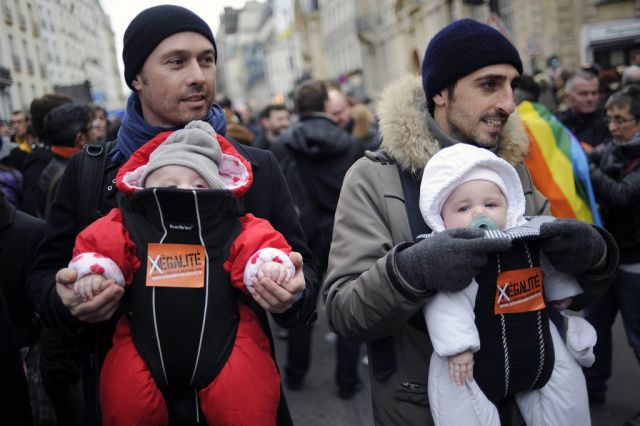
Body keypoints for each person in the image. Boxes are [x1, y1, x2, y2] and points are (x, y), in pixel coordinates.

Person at [27, 5, 317, 424]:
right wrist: (66, 299)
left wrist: (293, 294)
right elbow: (42, 278)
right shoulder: (91, 171)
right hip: (126, 401)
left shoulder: (254, 166)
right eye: (176, 62)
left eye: (206, 59)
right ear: (137, 78)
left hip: (239, 400)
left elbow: (306, 270)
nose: (198, 75)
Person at [323, 18, 619, 425]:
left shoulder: (511, 167)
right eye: (489, 84)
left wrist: (593, 256)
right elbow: (343, 311)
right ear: (440, 93)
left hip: (527, 399)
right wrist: (412, 269)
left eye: (512, 84)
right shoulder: (376, 177)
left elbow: (560, 290)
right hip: (424, 407)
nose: (509, 102)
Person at [67, 120, 295, 425]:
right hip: (141, 345)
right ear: (144, 185)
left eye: (200, 185)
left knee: (247, 401)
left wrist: (268, 265)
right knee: (126, 404)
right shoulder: (128, 222)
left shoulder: (232, 223)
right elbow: (100, 244)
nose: (185, 191)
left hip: (226, 344)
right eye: (169, 184)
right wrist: (95, 272)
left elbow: (259, 242)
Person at [420, 143, 594, 426]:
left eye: (490, 204)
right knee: (462, 410)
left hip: (539, 349)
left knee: (567, 402)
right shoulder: (453, 256)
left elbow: (547, 265)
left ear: (508, 205)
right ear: (440, 217)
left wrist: (563, 290)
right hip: (475, 365)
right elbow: (446, 302)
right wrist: (457, 347)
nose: (479, 213)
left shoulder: (527, 236)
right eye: (463, 208)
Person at [272, 80, 361, 396]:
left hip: (301, 232)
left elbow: (279, 193)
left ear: (297, 108)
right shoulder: (348, 143)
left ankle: (295, 373)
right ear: (326, 106)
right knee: (347, 303)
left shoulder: (283, 144)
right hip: (341, 231)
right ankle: (347, 381)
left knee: (300, 300)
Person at [585, 84, 640, 426]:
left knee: (637, 337)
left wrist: (584, 169)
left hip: (635, 263)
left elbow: (622, 195)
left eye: (622, 120)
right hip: (608, 258)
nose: (614, 126)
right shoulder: (612, 149)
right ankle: (591, 391)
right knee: (595, 327)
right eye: (610, 118)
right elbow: (588, 155)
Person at [558, 69, 611, 150]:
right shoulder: (560, 125)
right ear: (568, 97)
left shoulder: (609, 120)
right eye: (583, 94)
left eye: (594, 93)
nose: (590, 99)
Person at [327, 86, 379, 152]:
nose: (334, 118)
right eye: (329, 114)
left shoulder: (368, 132)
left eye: (338, 113)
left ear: (349, 107)